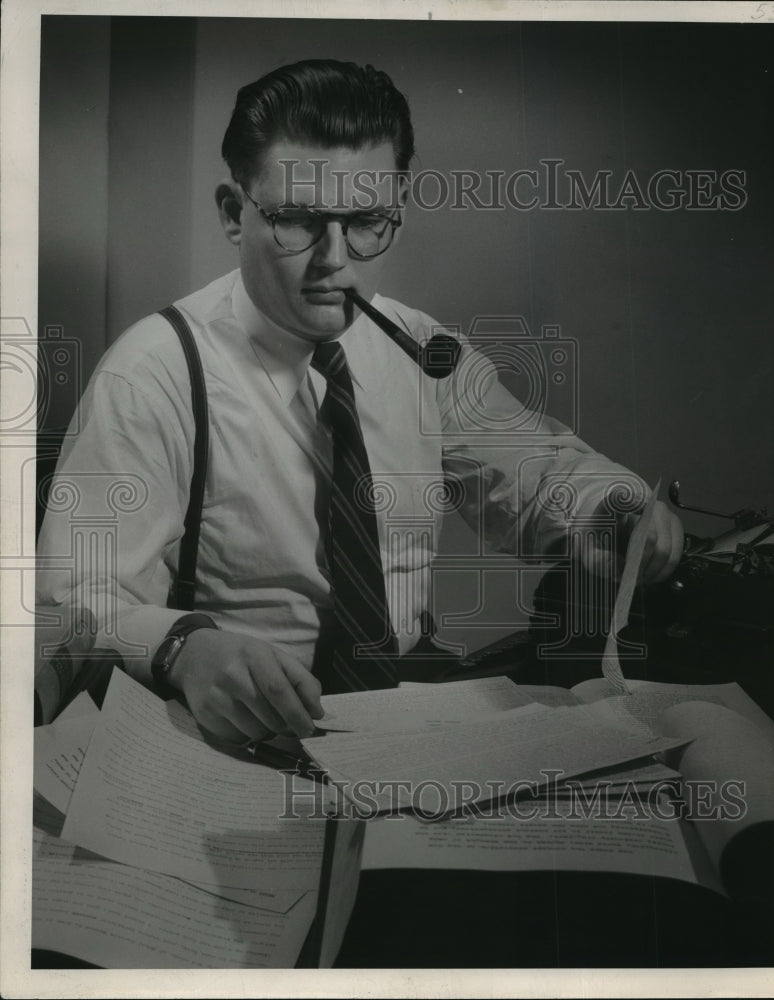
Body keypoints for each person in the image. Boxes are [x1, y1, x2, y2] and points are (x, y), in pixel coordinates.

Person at [36, 59, 683, 747]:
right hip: (241, 725)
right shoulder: (153, 372)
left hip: (414, 705)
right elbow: (75, 604)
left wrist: (613, 512)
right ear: (234, 213)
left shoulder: (420, 348)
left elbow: (537, 476)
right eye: (298, 222)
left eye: (367, 221)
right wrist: (183, 649)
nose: (334, 260)